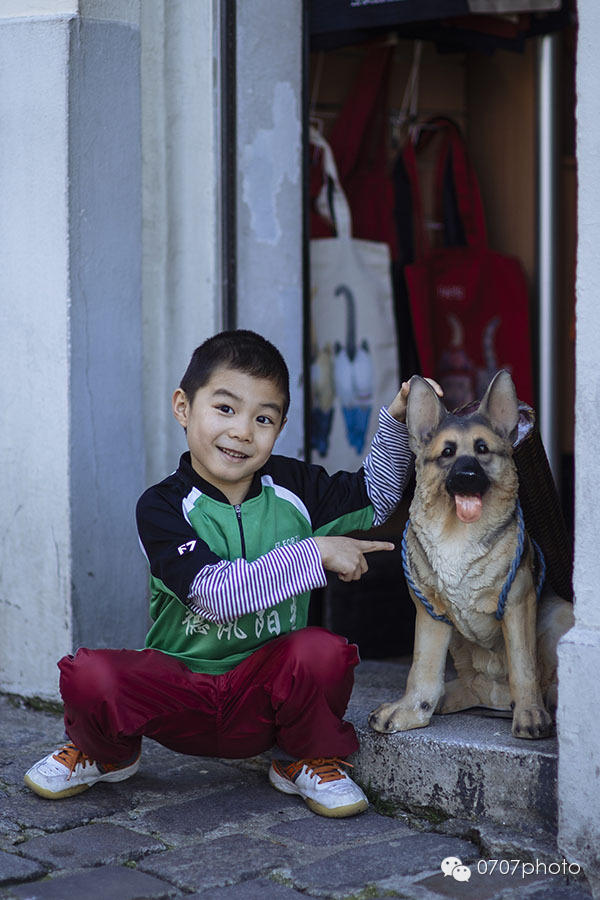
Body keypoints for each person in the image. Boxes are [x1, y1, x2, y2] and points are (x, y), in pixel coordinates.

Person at [24, 330, 425, 818]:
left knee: (323, 653)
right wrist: (314, 553)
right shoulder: (162, 506)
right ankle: (106, 752)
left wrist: (398, 423)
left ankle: (301, 757)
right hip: (180, 691)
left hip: (263, 695)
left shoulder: (295, 487)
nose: (242, 432)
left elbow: (375, 497)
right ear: (183, 407)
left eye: (263, 418)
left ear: (279, 428)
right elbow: (214, 595)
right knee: (90, 674)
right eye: (225, 409)